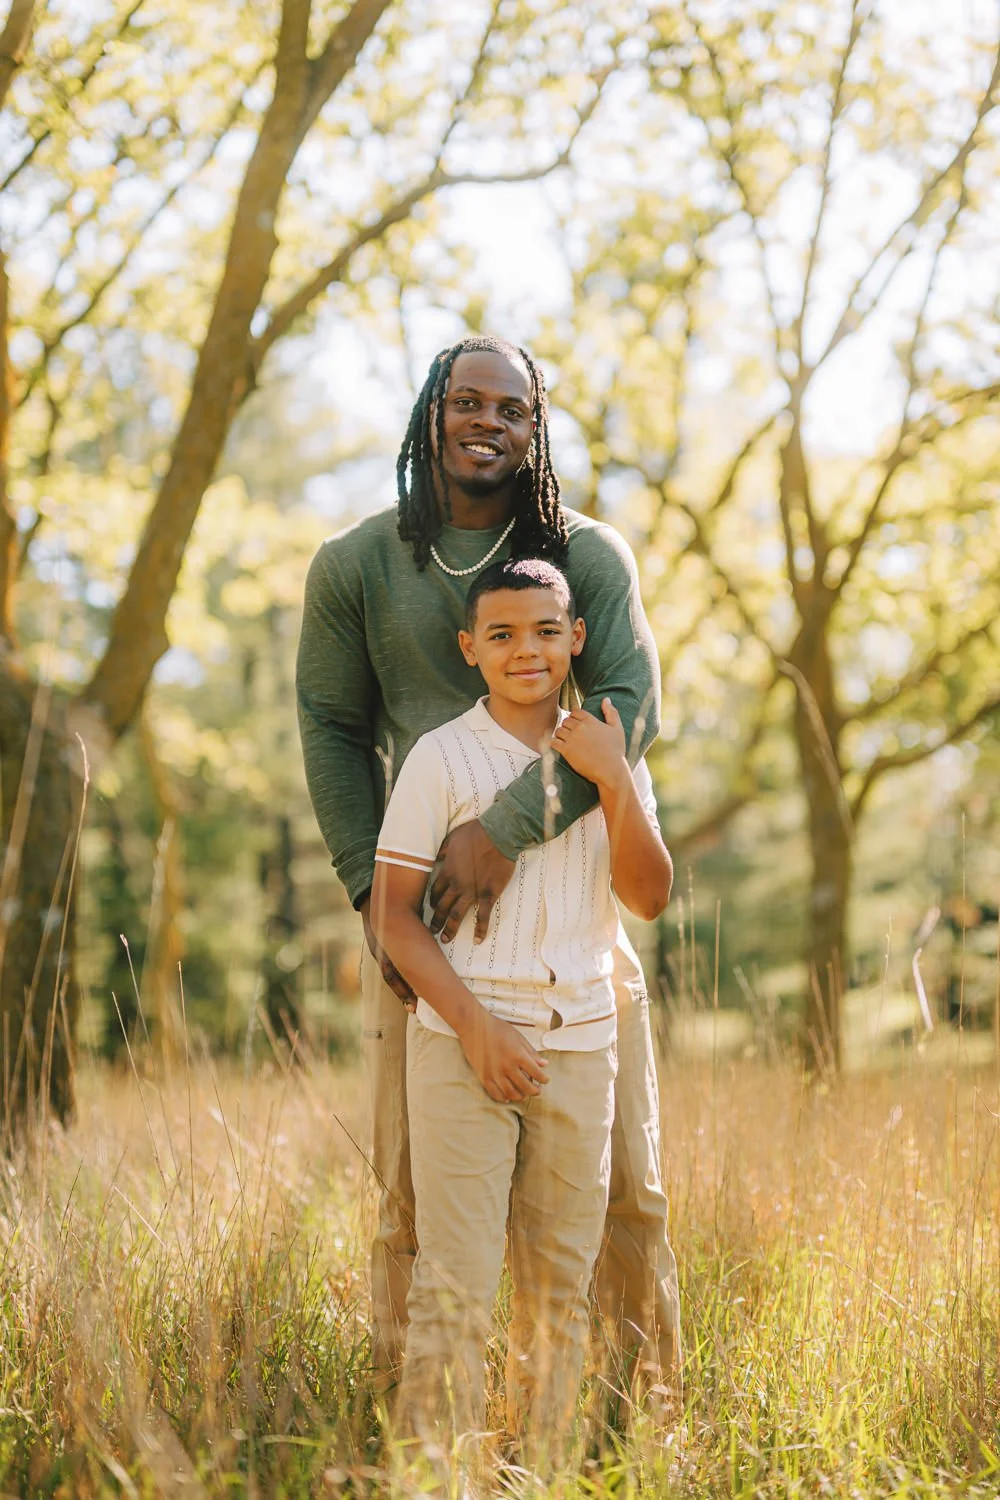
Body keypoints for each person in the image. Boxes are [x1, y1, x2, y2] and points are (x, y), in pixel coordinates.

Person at [296, 333, 681, 1408]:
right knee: (417, 1203)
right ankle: (421, 1430)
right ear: (430, 414)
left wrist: (506, 830)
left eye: (510, 408)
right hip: (423, 928)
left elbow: (627, 712)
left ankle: (624, 1424)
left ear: (535, 426)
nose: (486, 422)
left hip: (581, 929)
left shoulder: (585, 553)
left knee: (625, 1195)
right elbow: (330, 725)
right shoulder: (357, 564)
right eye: (464, 402)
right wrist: (374, 907)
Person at [370, 558, 673, 1468]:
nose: (526, 650)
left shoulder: (610, 746)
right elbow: (393, 917)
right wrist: (473, 1025)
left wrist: (614, 780)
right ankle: (435, 1477)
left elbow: (648, 898)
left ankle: (537, 1471)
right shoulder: (441, 756)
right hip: (463, 1046)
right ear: (470, 649)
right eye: (501, 635)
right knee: (454, 1286)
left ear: (577, 636)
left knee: (558, 1290)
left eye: (547, 630)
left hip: (582, 1045)